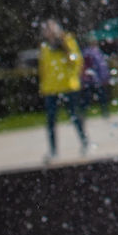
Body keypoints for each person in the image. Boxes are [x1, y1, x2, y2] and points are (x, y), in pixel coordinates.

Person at [38, 19, 89, 161]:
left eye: (51, 29)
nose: (48, 32)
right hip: (51, 89)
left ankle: (84, 142)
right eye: (46, 30)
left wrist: (65, 47)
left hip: (68, 85)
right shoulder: (45, 47)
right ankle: (53, 150)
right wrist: (43, 86)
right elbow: (43, 67)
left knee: (74, 115)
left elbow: (77, 61)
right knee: (50, 120)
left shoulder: (67, 40)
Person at [82, 34, 112, 118]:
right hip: (93, 79)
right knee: (89, 98)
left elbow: (102, 66)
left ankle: (104, 112)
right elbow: (95, 66)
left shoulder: (95, 51)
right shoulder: (89, 52)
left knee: (101, 97)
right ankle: (83, 114)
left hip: (96, 78)